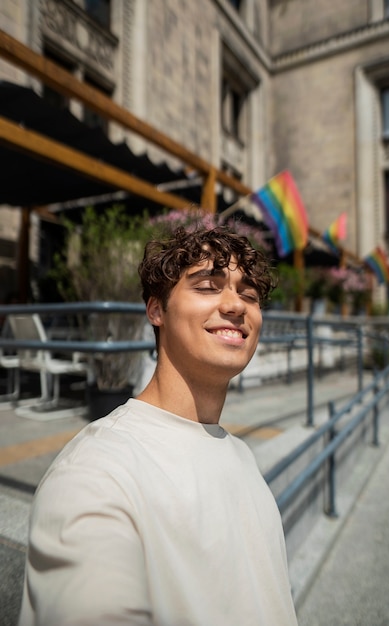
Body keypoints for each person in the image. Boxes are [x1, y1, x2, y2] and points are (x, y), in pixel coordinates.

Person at [18, 225, 298, 626]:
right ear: (156, 310)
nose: (236, 305)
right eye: (207, 286)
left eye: (249, 294)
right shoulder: (97, 471)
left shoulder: (239, 454)